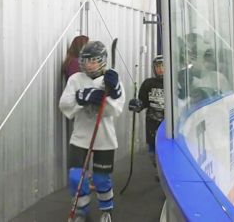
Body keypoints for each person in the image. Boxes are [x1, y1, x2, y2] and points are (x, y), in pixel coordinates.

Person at [59, 40, 125, 222]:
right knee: (75, 177)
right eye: (86, 60)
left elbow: (115, 110)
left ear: (102, 60)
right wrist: (82, 98)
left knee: (101, 179)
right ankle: (82, 211)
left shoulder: (111, 79)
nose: (88, 64)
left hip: (104, 138)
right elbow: (64, 105)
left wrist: (108, 96)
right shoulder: (76, 79)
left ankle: (106, 210)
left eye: (93, 60)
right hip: (80, 137)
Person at [128, 55, 164, 166]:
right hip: (152, 123)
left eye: (164, 66)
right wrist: (137, 105)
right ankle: (157, 168)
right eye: (158, 66)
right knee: (153, 153)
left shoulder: (175, 83)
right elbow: (143, 102)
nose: (161, 69)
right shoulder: (148, 83)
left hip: (168, 124)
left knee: (165, 150)